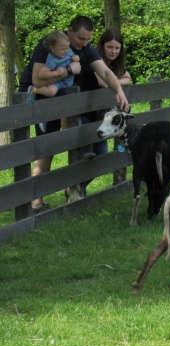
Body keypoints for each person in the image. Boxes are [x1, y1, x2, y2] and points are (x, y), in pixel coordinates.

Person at [18, 15, 130, 212]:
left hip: (65, 102)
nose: (84, 43)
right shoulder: (50, 44)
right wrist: (69, 70)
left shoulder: (86, 49)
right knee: (46, 149)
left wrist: (119, 91)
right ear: (69, 31)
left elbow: (105, 73)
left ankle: (72, 190)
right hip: (39, 101)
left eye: (87, 39)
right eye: (80, 38)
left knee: (91, 153)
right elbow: (36, 80)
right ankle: (36, 201)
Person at [97, 28, 133, 184]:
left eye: (117, 48)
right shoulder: (97, 62)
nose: (113, 51)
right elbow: (102, 83)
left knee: (115, 149)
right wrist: (117, 82)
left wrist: (114, 82)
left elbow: (129, 79)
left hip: (112, 116)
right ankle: (76, 190)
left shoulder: (117, 64)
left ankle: (118, 181)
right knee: (99, 153)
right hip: (95, 115)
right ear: (102, 46)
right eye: (109, 47)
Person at [30, 31, 80, 99]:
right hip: (58, 83)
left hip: (69, 83)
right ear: (52, 49)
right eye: (62, 49)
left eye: (67, 48)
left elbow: (74, 57)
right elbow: (41, 74)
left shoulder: (68, 51)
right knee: (51, 92)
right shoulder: (52, 60)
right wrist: (56, 73)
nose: (66, 51)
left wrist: (76, 58)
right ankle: (35, 90)